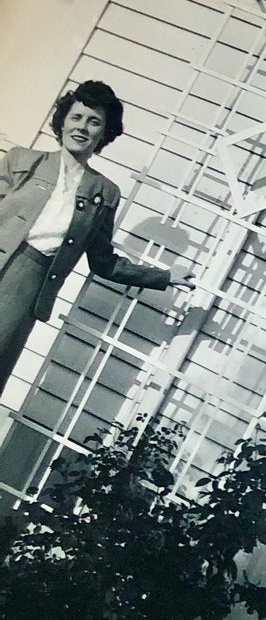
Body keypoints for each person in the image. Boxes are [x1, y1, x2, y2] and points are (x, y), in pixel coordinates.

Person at [0, 80, 195, 393]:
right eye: (76, 117)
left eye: (94, 122)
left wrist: (164, 275)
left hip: (25, 292)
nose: (82, 127)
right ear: (62, 121)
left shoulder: (103, 193)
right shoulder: (21, 160)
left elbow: (104, 262)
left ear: (105, 133)